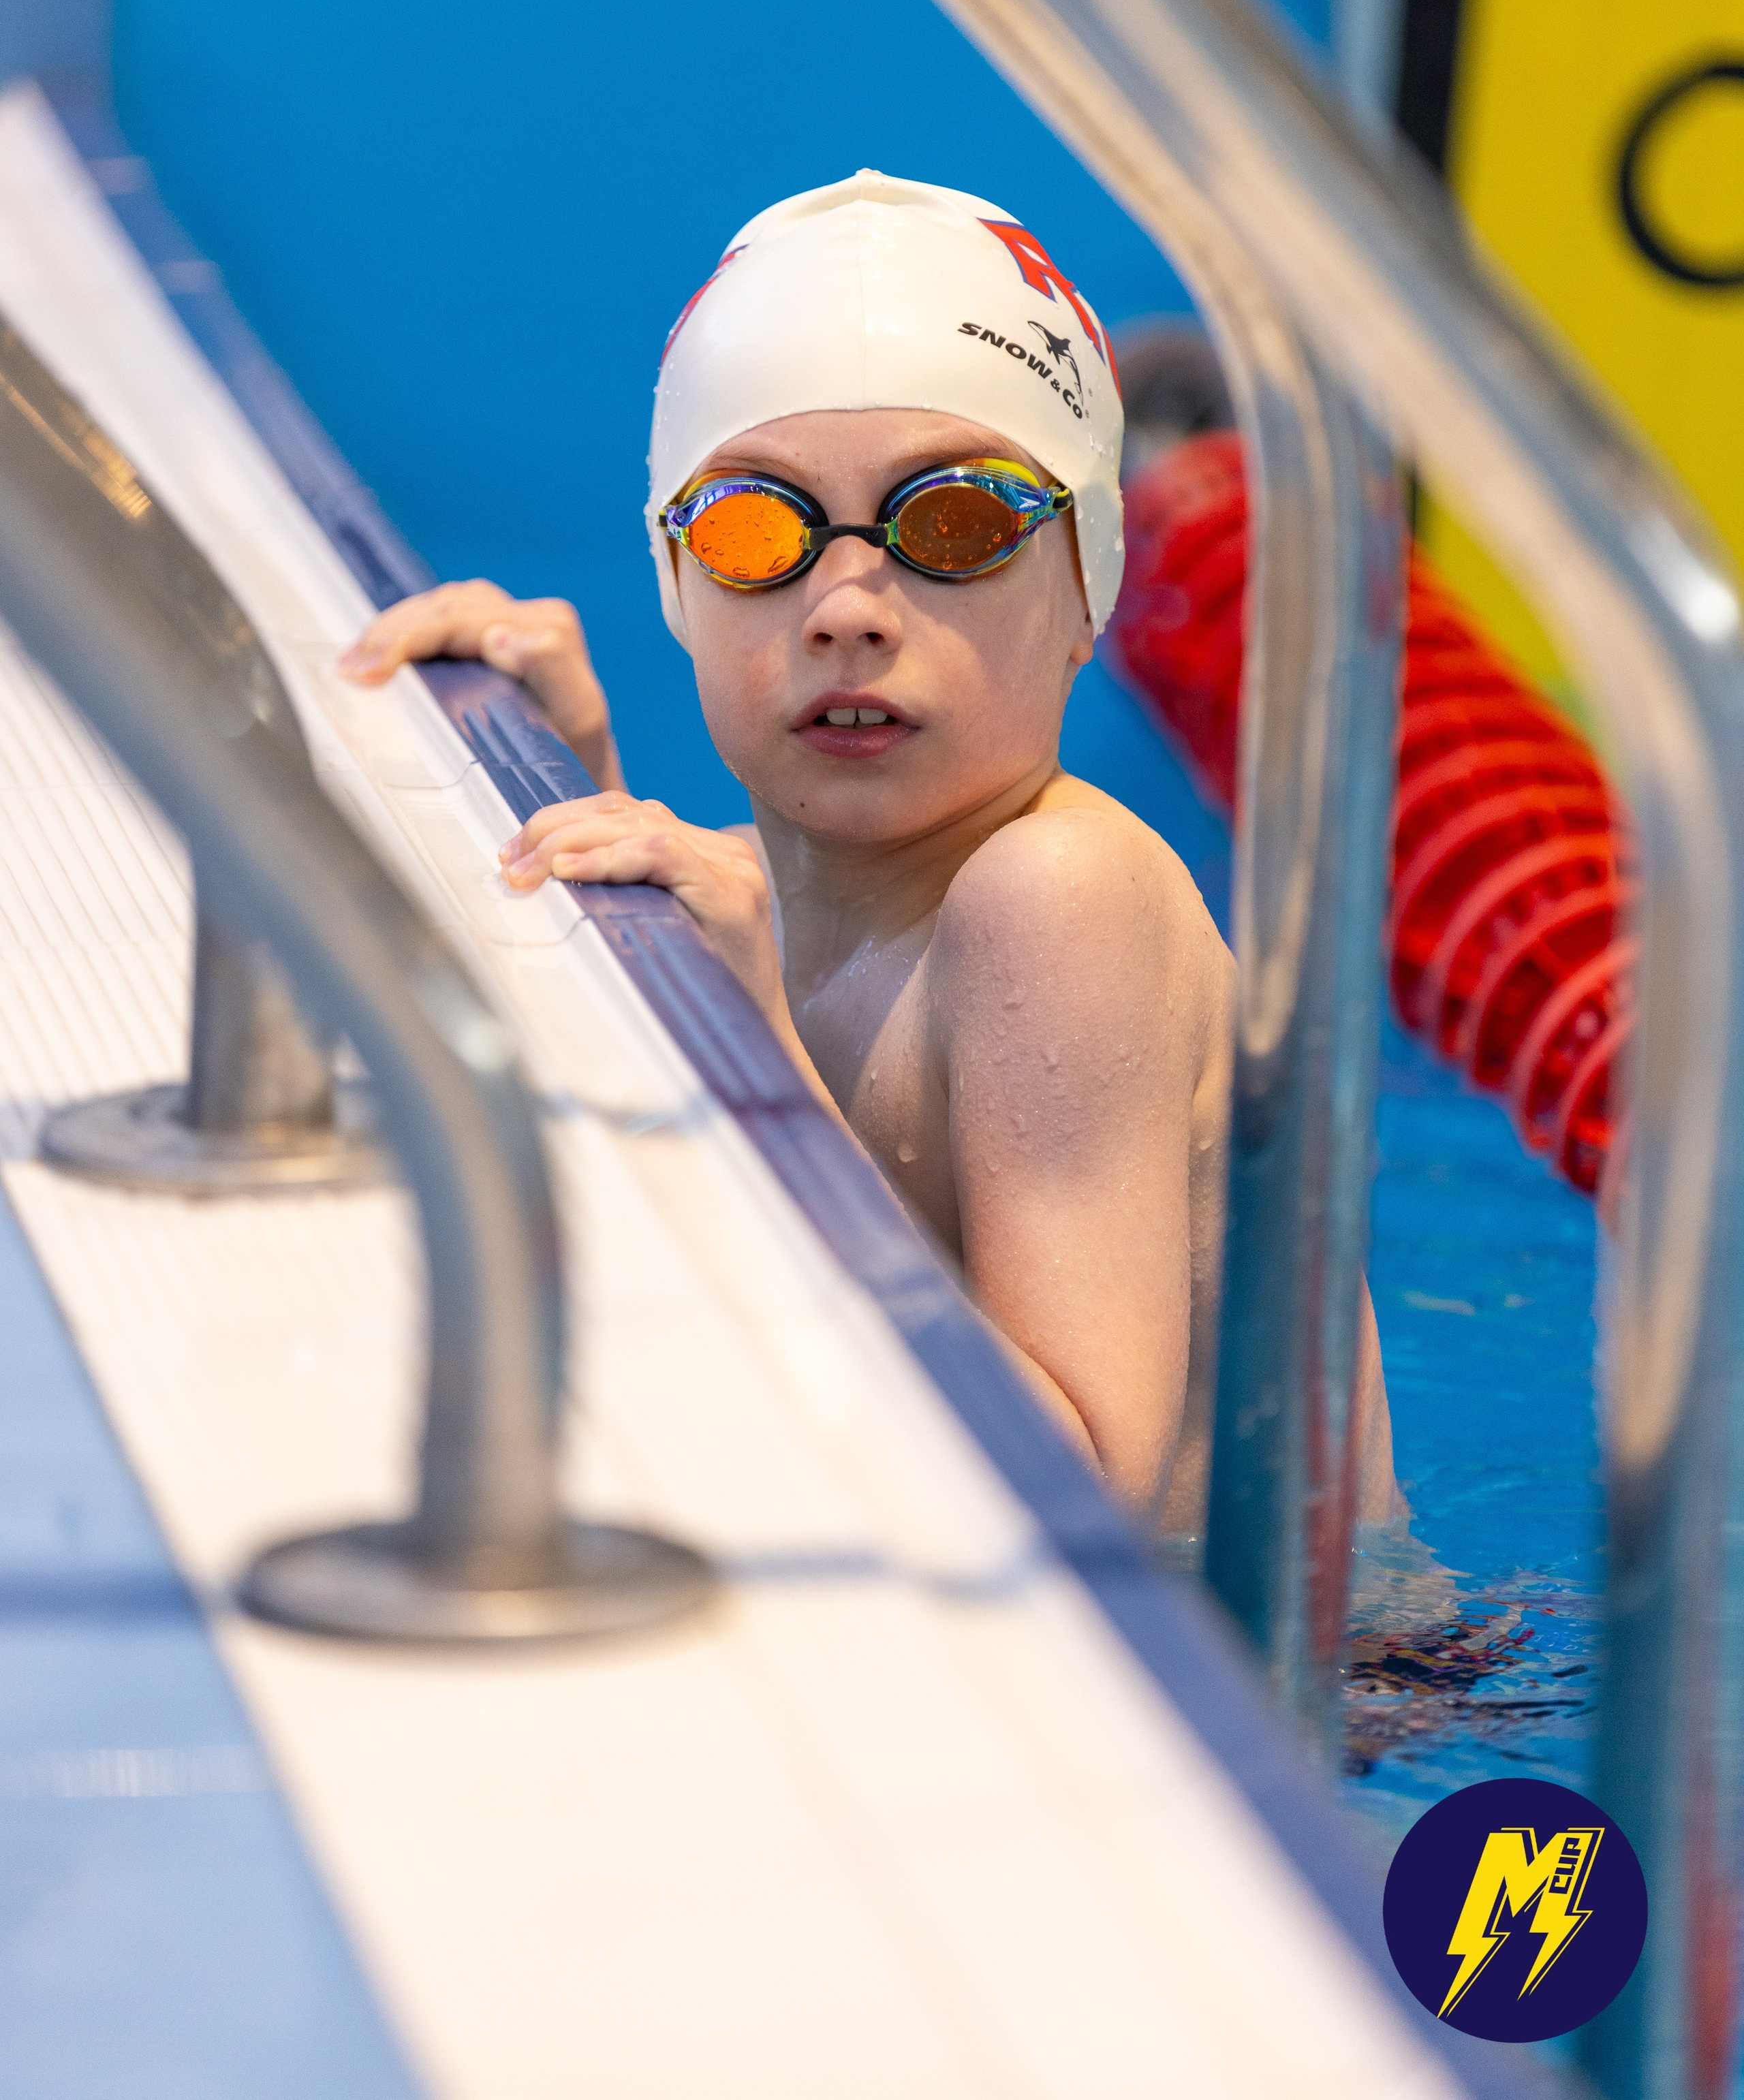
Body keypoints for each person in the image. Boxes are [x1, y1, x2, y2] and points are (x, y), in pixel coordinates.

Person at [340, 170, 1397, 1535]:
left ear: (1088, 581)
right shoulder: (765, 884)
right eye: (753, 527)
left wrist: (756, 1044)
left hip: (1322, 1717)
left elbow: (1077, 1483)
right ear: (675, 580)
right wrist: (570, 781)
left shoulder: (1058, 893)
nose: (846, 605)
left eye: (951, 524)